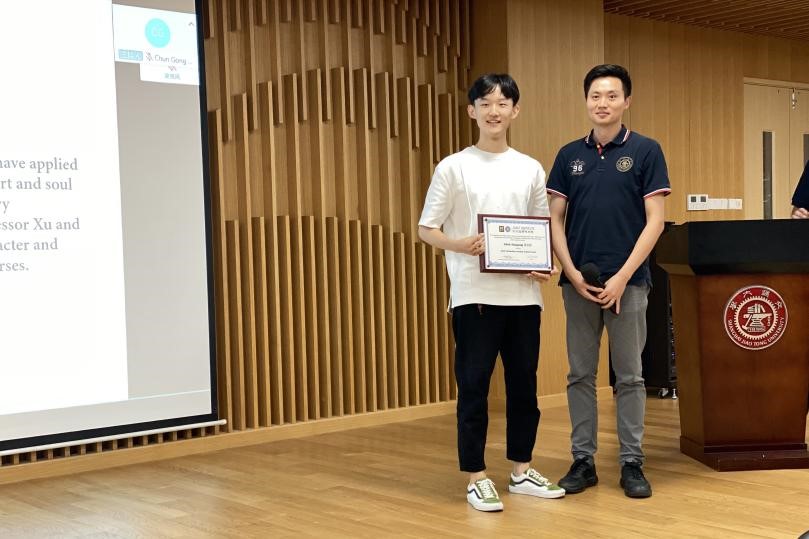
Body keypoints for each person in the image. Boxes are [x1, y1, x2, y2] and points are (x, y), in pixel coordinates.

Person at [418, 73, 564, 512]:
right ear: (472, 111)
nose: (494, 111)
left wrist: (546, 263)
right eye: (485, 103)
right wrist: (460, 244)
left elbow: (540, 227)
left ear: (515, 111)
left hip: (523, 298)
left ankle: (521, 470)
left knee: (524, 389)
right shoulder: (453, 166)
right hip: (474, 296)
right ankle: (476, 477)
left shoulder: (530, 167)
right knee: (474, 388)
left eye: (503, 103)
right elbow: (426, 228)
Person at [547, 64, 670, 499]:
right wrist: (571, 273)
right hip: (577, 285)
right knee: (580, 374)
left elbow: (655, 222)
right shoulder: (568, 156)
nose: (603, 103)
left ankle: (631, 462)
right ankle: (583, 461)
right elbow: (554, 220)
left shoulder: (646, 151)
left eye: (612, 95)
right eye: (595, 95)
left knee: (631, 376)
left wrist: (622, 277)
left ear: (626, 101)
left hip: (629, 284)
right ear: (586, 101)